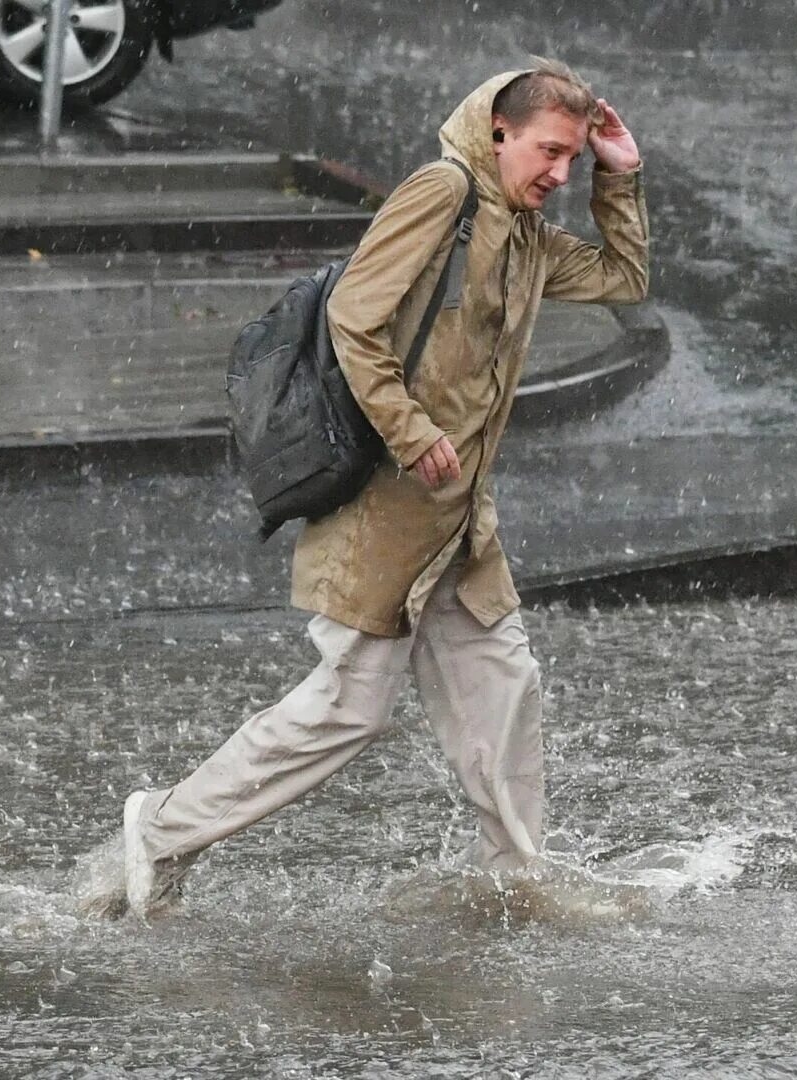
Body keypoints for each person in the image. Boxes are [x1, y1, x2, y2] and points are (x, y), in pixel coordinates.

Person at [107, 60, 649, 920]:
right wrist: (412, 430)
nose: (559, 173)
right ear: (500, 131)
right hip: (390, 505)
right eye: (552, 151)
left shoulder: (528, 234)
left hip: (458, 517)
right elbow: (354, 315)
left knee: (504, 685)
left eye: (574, 160)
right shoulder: (443, 193)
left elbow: (624, 280)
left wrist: (620, 176)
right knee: (348, 707)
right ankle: (164, 830)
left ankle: (515, 874)